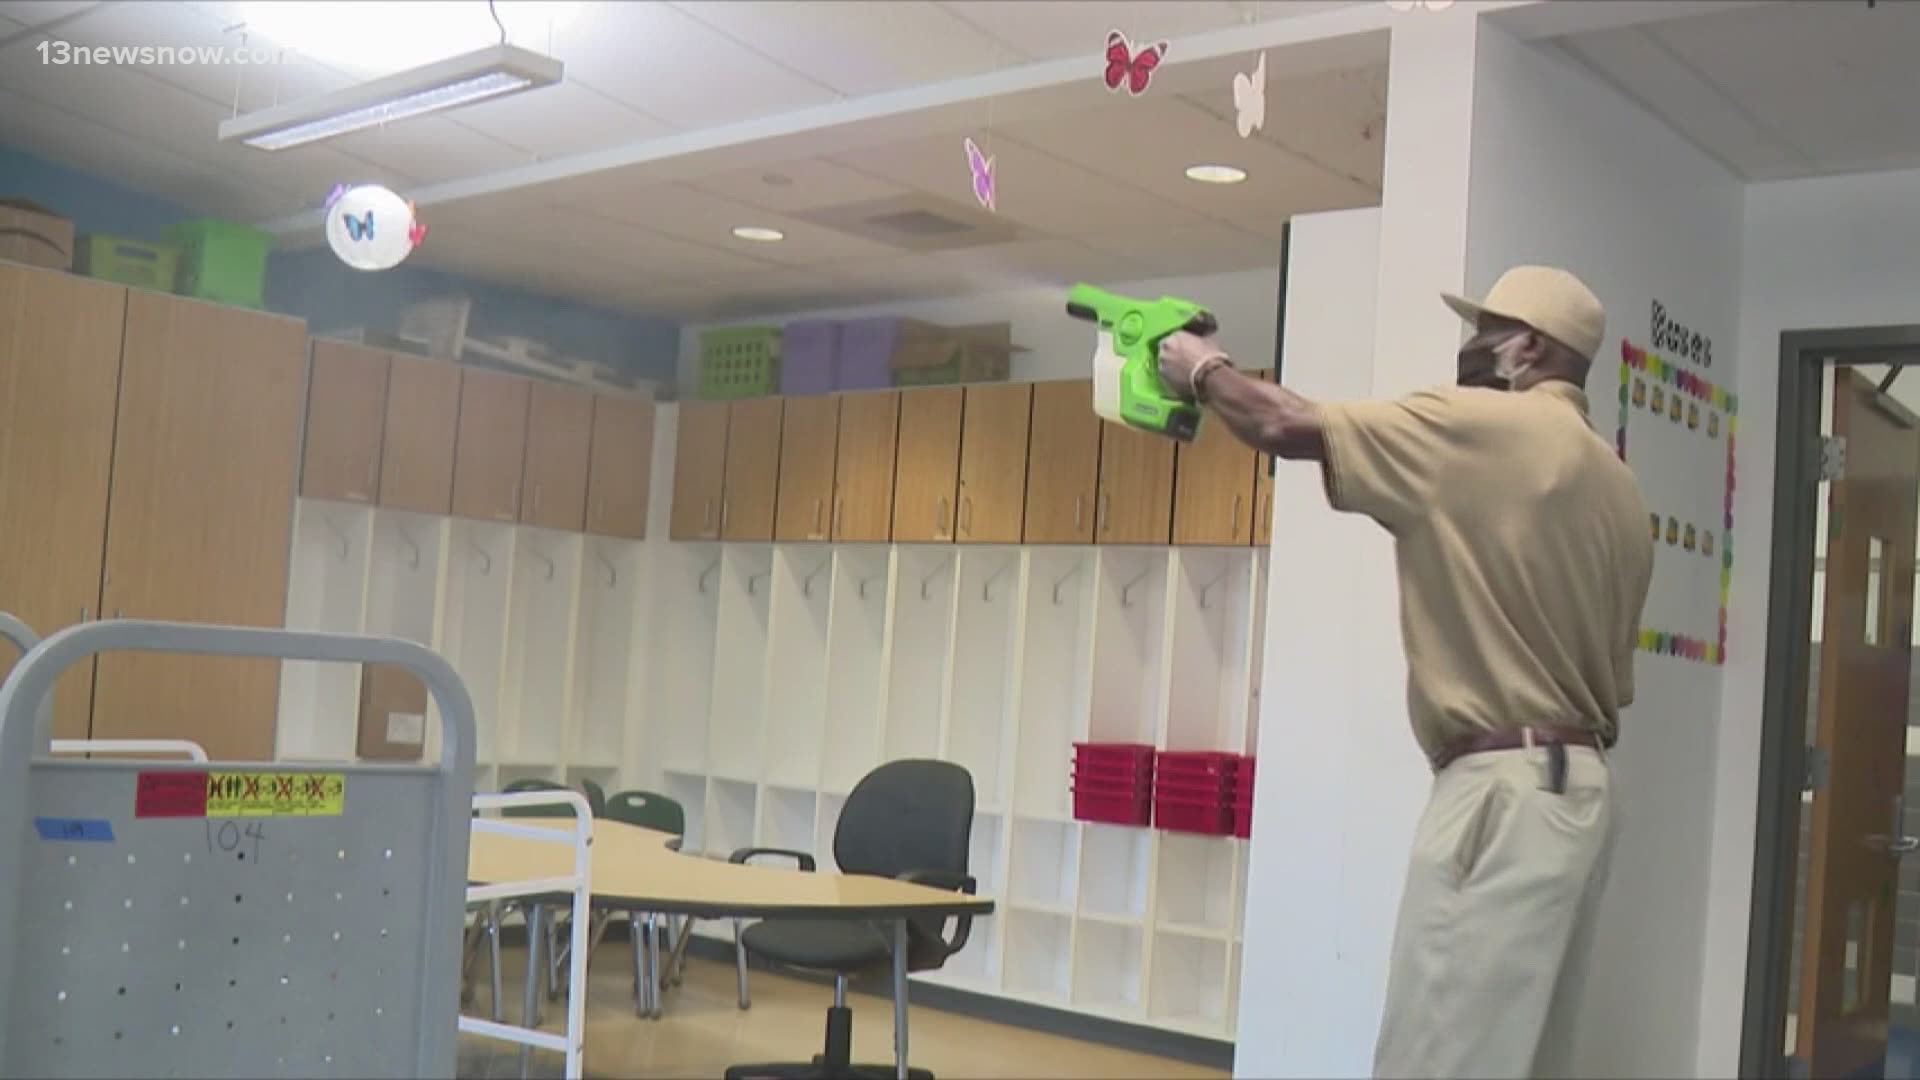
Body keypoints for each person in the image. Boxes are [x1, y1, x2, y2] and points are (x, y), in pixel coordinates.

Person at [1156, 266, 1653, 1078]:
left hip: (1501, 791)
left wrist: (1202, 368)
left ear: (1527, 348)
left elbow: (1287, 424)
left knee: (1438, 1052)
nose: (1469, 349)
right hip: (1579, 791)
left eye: (1483, 332)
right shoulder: (1618, 485)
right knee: (1518, 1058)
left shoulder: (1488, 426)